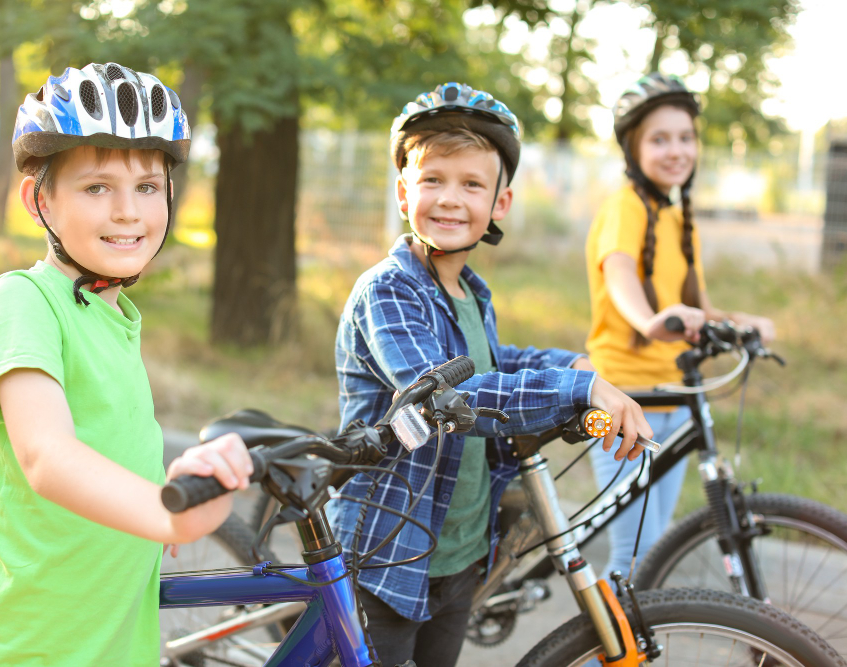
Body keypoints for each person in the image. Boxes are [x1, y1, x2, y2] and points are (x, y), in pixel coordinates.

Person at [331, 82, 652, 667]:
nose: (451, 199)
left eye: (472, 184)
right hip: (386, 551)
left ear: (499, 204)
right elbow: (450, 396)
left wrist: (573, 365)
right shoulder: (389, 290)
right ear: (404, 193)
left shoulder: (471, 292)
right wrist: (577, 390)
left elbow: (497, 362)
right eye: (433, 180)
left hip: (458, 553)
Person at [0, 63, 253, 666]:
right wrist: (165, 516)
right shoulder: (24, 298)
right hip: (30, 645)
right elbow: (45, 455)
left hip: (115, 640)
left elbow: (108, 431)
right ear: (40, 201)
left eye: (146, 187)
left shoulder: (117, 314)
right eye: (95, 188)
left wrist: (143, 509)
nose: (127, 211)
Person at [584, 72, 776, 580]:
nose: (677, 150)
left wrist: (740, 323)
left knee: (650, 551)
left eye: (686, 137)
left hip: (672, 398)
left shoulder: (677, 219)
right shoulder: (625, 207)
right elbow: (619, 272)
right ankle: (613, 653)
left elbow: (698, 307)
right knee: (632, 558)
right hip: (624, 398)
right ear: (633, 148)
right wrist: (650, 321)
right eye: (659, 139)